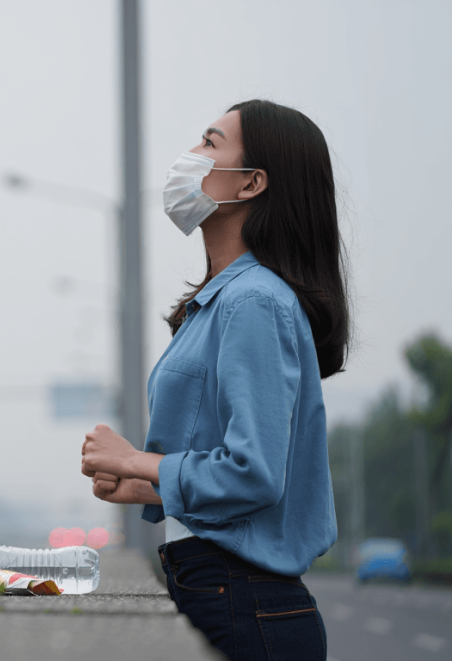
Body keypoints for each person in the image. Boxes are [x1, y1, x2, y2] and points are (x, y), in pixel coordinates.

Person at [80, 99, 347, 661]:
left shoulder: (251, 301)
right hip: (225, 593)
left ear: (251, 184)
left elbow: (254, 474)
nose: (190, 156)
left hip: (242, 603)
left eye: (209, 142)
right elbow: (232, 474)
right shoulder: (227, 299)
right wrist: (145, 488)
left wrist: (136, 461)